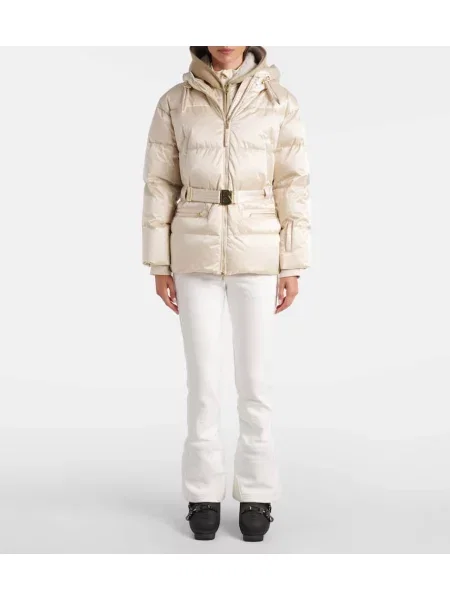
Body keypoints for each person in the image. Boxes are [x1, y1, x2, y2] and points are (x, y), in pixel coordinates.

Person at [141, 46, 310, 541]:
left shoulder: (279, 101)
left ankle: (257, 490)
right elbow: (159, 183)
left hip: (258, 251)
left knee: (255, 381)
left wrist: (291, 263)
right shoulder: (175, 101)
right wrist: (159, 262)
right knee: (203, 383)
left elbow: (293, 184)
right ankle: (203, 493)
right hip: (193, 250)